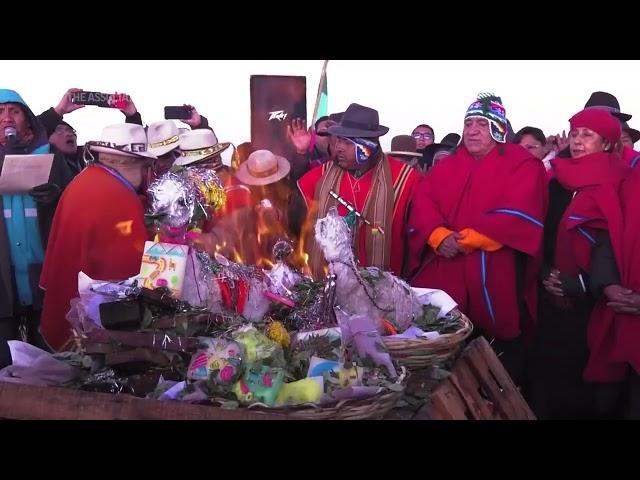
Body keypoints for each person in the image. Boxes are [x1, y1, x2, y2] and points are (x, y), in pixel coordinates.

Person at [407, 93, 547, 385]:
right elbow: (423, 202)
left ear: (498, 128)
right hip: (446, 268)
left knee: (496, 364)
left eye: (482, 124)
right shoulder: (447, 166)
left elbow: (522, 209)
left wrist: (470, 239)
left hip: (494, 270)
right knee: (440, 349)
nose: (472, 130)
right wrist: (437, 235)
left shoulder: (522, 164)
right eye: (468, 123)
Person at [529, 108, 629, 419]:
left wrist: (584, 282)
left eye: (588, 135)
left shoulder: (619, 182)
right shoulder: (555, 181)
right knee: (545, 374)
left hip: (592, 302)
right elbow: (539, 228)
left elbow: (614, 240)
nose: (578, 141)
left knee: (581, 385)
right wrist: (545, 271)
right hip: (550, 293)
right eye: (575, 134)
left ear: (608, 143)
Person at [39, 124, 156, 352]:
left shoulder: (84, 180)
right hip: (95, 322)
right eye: (144, 167)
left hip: (68, 301)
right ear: (130, 163)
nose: (144, 174)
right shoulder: (118, 195)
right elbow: (133, 266)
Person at [297, 103, 420, 279]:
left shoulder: (405, 179)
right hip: (328, 290)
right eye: (339, 139)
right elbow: (288, 209)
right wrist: (299, 155)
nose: (338, 147)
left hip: (382, 294)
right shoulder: (319, 178)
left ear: (367, 147)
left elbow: (416, 241)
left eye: (347, 142)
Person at [0, 89, 76, 366]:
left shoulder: (49, 155)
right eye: (0, 112)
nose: (7, 118)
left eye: (15, 111)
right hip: (3, 282)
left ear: (27, 120)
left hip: (44, 276)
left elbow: (74, 203)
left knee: (48, 361)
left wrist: (56, 198)